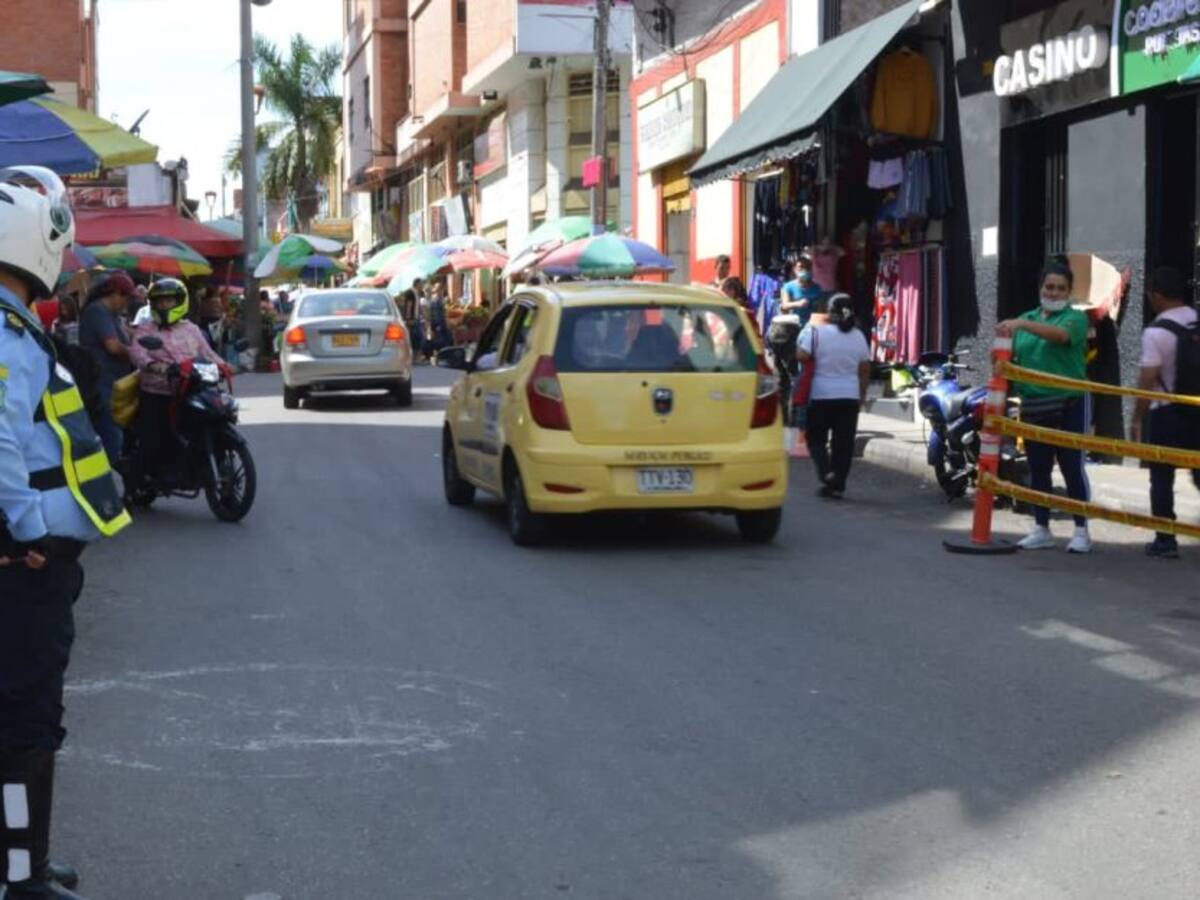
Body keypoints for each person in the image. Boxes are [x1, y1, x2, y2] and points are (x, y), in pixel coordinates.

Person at [0, 165, 130, 900]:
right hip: (22, 569)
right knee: (25, 723)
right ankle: (23, 880)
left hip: (24, 562)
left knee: (15, 717)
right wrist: (26, 533)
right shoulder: (6, 333)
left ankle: (23, 863)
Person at [997, 259, 1092, 554]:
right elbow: (1004, 358)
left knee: (1072, 468)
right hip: (1034, 404)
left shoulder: (1074, 319)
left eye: (1061, 288)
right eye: (1049, 287)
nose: (1054, 292)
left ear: (1069, 291)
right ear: (1040, 288)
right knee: (1039, 469)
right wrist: (998, 347)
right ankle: (1041, 528)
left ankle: (1081, 530)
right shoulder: (1024, 320)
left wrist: (1021, 325)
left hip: (1070, 403)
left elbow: (1060, 337)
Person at [126, 278, 227, 491]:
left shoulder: (191, 329)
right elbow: (137, 352)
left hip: (191, 389)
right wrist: (154, 365)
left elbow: (207, 353)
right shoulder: (146, 329)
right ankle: (135, 485)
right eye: (160, 301)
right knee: (152, 440)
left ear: (179, 302)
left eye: (169, 301)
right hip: (158, 392)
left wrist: (225, 366)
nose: (164, 305)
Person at [1131, 266, 1200, 559]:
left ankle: (1165, 539)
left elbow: (1148, 377)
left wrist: (1137, 417)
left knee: (1161, 477)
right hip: (1197, 409)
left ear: (1157, 296)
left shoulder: (1156, 332)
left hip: (1166, 413)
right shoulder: (1196, 321)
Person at [796, 293, 871, 499]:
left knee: (816, 439)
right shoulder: (858, 336)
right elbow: (864, 369)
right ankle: (837, 485)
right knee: (843, 444)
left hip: (821, 395)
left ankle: (826, 472)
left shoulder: (817, 332)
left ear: (829, 313)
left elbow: (801, 355)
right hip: (849, 396)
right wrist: (862, 393)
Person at [78, 272, 135, 463]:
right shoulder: (98, 311)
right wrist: (137, 355)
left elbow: (126, 333)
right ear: (116, 293)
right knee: (111, 435)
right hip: (102, 383)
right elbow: (113, 346)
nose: (127, 304)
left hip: (113, 383)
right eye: (126, 298)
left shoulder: (112, 315)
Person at [779, 256, 822, 329]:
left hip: (813, 326)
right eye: (801, 267)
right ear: (794, 269)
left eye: (807, 267)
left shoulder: (817, 288)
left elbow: (821, 308)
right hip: (795, 325)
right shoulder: (788, 286)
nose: (804, 269)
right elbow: (784, 305)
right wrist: (798, 304)